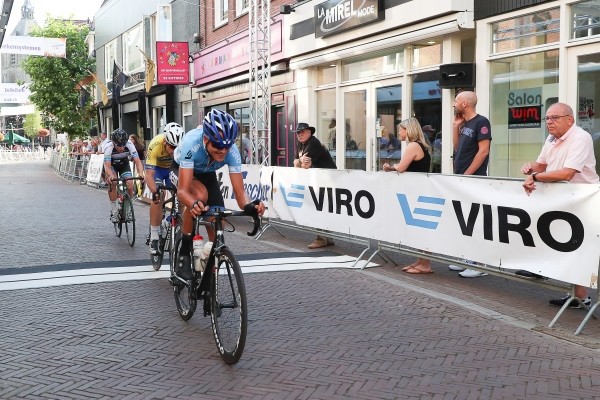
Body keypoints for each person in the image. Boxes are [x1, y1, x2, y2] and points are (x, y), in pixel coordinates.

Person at [173, 109, 266, 280]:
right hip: (183, 169)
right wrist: (193, 204)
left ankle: (210, 269)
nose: (222, 151)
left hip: (207, 172)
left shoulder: (231, 153)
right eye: (217, 145)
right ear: (206, 139)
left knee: (218, 218)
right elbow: (183, 191)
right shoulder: (191, 144)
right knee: (199, 196)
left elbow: (240, 194)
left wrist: (250, 206)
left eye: (227, 146)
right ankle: (184, 254)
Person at [521, 102, 597, 309]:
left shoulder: (581, 137)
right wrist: (530, 168)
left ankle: (581, 295)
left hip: (583, 200)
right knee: (565, 242)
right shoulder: (551, 138)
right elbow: (541, 164)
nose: (549, 122)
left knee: (579, 246)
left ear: (570, 119)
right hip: (562, 199)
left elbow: (567, 173)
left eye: (555, 118)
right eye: (547, 118)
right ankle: (578, 295)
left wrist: (535, 177)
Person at [447, 90, 492, 278]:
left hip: (473, 179)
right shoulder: (465, 123)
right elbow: (459, 149)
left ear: (465, 103)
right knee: (465, 220)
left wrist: (467, 175)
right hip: (463, 178)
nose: (453, 104)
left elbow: (483, 152)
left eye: (456, 100)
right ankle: (468, 257)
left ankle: (480, 264)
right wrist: (455, 127)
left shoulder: (482, 122)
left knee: (475, 219)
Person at [383, 118, 433, 274]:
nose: (398, 132)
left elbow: (402, 167)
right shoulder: (421, 146)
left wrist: (390, 167)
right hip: (418, 190)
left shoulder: (413, 145)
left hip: (416, 191)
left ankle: (425, 264)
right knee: (418, 228)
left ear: (409, 130)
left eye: (401, 129)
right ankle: (420, 261)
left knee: (420, 228)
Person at [292, 122, 337, 249]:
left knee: (320, 207)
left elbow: (304, 165)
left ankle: (321, 238)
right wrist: (298, 161)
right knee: (321, 207)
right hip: (318, 180)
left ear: (309, 132)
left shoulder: (313, 143)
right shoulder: (301, 144)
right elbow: (296, 162)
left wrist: (298, 162)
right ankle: (327, 237)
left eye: (302, 132)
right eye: (298, 133)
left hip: (327, 179)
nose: (299, 135)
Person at [145, 122, 185, 255]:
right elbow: (149, 175)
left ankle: (171, 220)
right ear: (164, 142)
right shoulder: (155, 145)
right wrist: (154, 192)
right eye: (171, 147)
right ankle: (155, 237)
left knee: (182, 194)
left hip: (172, 169)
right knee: (159, 196)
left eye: (177, 148)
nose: (174, 151)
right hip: (157, 170)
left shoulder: (184, 147)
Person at [103, 128, 145, 223]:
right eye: (119, 146)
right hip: (112, 166)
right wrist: (110, 176)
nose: (122, 148)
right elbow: (107, 167)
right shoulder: (108, 147)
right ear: (113, 143)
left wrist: (141, 174)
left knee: (130, 184)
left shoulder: (129, 144)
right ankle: (114, 211)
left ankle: (127, 207)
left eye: (123, 145)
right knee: (113, 183)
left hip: (124, 165)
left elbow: (138, 162)